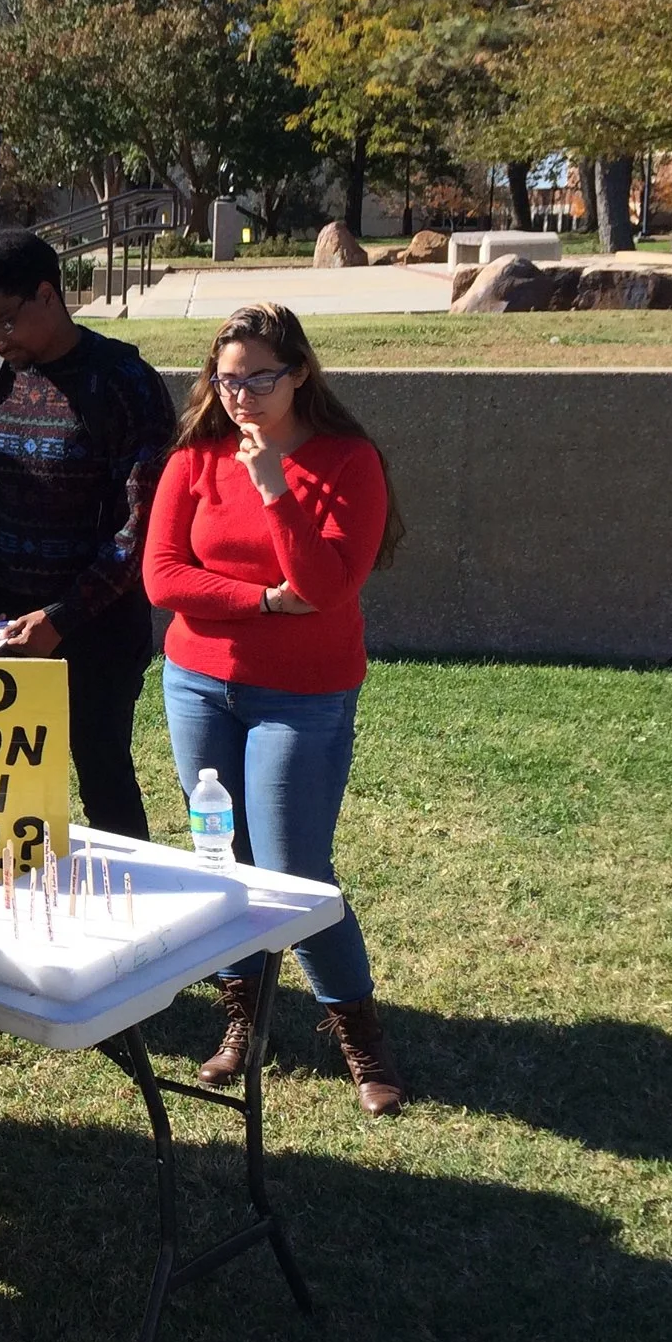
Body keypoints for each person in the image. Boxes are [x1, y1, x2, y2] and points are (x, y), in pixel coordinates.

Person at [139, 303, 409, 1116]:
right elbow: (162, 578)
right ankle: (244, 1021)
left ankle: (360, 1035)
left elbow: (327, 588)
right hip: (198, 683)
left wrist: (274, 488)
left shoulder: (348, 462)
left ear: (298, 373)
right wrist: (259, 601)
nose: (241, 395)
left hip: (304, 696)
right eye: (227, 379)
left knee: (294, 871)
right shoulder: (194, 457)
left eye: (259, 377)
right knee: (224, 861)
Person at [0, 227, 177, 838]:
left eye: (2, 323)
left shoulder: (125, 383)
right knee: (5, 796)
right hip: (3, 632)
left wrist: (60, 619)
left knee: (104, 780)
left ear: (48, 295)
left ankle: (130, 917)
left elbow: (138, 530)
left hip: (97, 632)